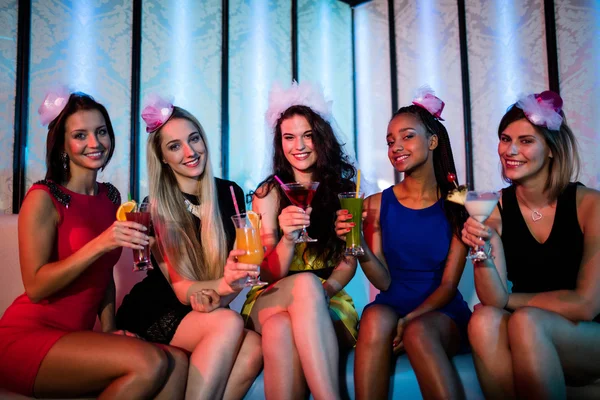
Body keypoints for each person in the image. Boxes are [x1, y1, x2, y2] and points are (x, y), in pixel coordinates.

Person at [0, 90, 186, 399]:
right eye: (80, 135)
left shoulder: (110, 197)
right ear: (62, 144)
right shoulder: (43, 197)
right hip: (28, 336)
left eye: (101, 132)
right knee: (150, 362)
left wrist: (110, 329)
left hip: (78, 337)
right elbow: (36, 287)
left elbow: (104, 277)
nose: (94, 142)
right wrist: (101, 242)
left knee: (178, 361)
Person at [116, 95, 263, 400]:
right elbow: (182, 290)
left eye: (194, 139)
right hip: (158, 311)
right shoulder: (153, 208)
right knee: (228, 322)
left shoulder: (230, 193)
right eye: (175, 146)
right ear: (163, 158)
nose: (190, 151)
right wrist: (222, 290)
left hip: (208, 309)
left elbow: (239, 272)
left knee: (255, 348)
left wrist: (221, 294)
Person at [461, 90, 600, 399]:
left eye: (525, 141)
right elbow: (490, 298)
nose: (510, 150)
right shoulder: (493, 206)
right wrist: (481, 244)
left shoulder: (591, 205)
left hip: (589, 335)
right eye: (505, 138)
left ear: (551, 149)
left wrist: (508, 301)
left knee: (525, 322)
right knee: (483, 319)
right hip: (531, 329)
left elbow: (586, 305)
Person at [336, 87, 472, 399]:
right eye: (390, 141)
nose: (396, 146)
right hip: (391, 304)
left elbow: (449, 286)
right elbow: (383, 282)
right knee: (373, 316)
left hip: (441, 311)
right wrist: (359, 245)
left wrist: (410, 319)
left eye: (407, 136)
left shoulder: (459, 201)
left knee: (417, 331)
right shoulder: (373, 204)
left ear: (433, 141)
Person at [239, 81, 358, 400]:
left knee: (281, 328)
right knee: (302, 286)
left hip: (329, 299)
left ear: (321, 138)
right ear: (280, 143)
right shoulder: (267, 194)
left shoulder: (345, 191)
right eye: (289, 137)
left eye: (308, 135)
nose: (299, 145)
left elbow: (350, 259)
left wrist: (326, 289)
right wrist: (288, 239)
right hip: (272, 294)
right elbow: (265, 274)